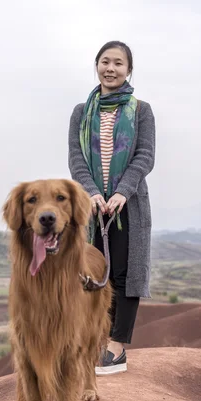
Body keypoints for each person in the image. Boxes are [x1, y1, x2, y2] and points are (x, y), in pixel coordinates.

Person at [68, 40, 155, 375]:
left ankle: (116, 347)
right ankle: (94, 340)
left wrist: (122, 191)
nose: (111, 68)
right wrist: (90, 192)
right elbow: (76, 159)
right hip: (89, 208)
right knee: (90, 274)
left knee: (123, 273)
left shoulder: (141, 110)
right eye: (105, 61)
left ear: (128, 69)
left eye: (119, 63)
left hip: (127, 206)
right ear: (96, 66)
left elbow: (145, 155)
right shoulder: (81, 112)